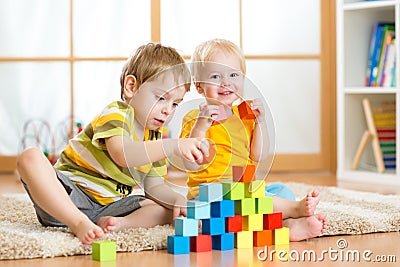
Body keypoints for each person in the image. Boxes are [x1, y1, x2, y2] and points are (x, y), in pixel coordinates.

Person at [16, 43, 209, 244]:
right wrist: (173, 145)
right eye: (161, 98)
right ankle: (77, 222)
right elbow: (122, 154)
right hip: (67, 197)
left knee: (165, 210)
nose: (168, 110)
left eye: (175, 103)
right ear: (131, 87)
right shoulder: (118, 113)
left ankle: (119, 224)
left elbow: (154, 187)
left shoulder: (154, 138)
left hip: (109, 207)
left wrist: (177, 199)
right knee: (30, 157)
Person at [180, 39, 327, 241]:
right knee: (211, 206)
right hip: (210, 195)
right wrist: (201, 127)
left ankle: (287, 227)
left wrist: (260, 122)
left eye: (233, 75)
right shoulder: (194, 120)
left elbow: (258, 155)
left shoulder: (243, 118)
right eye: (216, 76)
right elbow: (190, 162)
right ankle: (293, 211)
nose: (226, 82)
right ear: (199, 87)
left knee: (279, 191)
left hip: (247, 190)